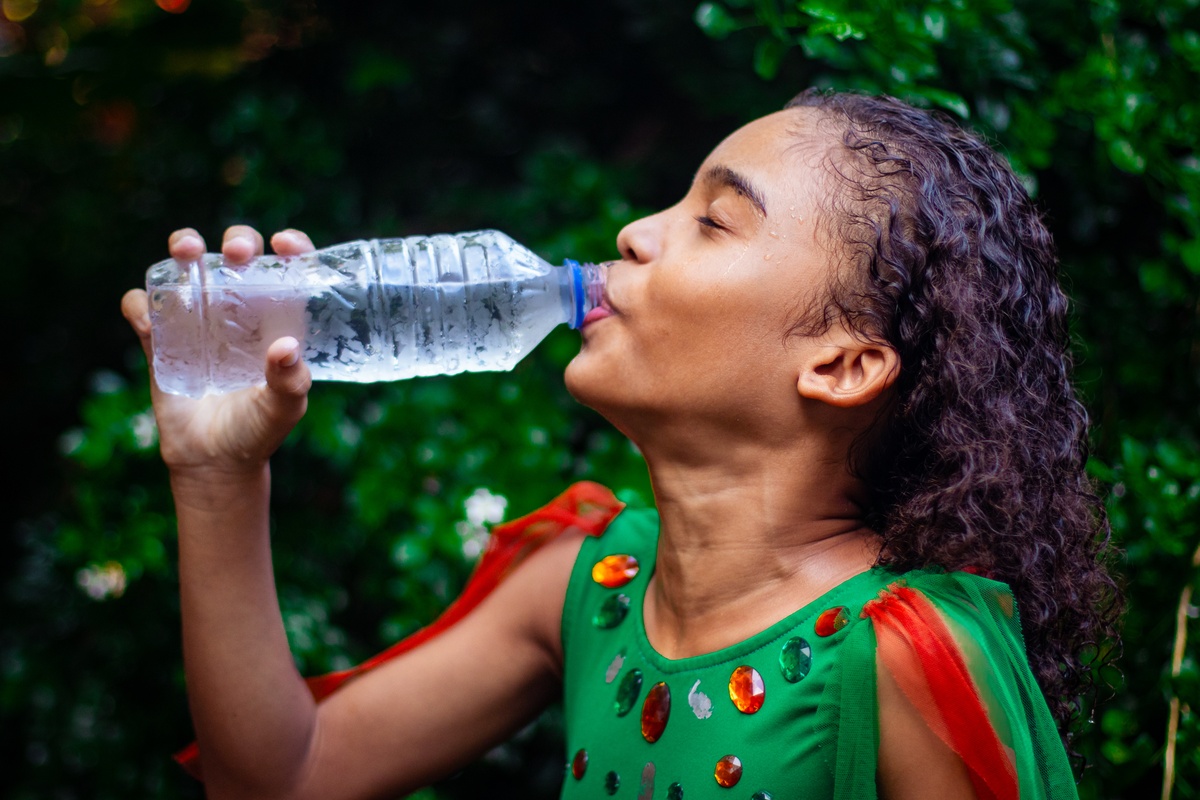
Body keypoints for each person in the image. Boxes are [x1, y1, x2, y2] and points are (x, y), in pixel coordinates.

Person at [121, 89, 1120, 800]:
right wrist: (219, 475)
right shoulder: (590, 579)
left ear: (844, 364)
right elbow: (281, 778)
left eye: (714, 222)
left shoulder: (899, 654)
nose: (639, 232)